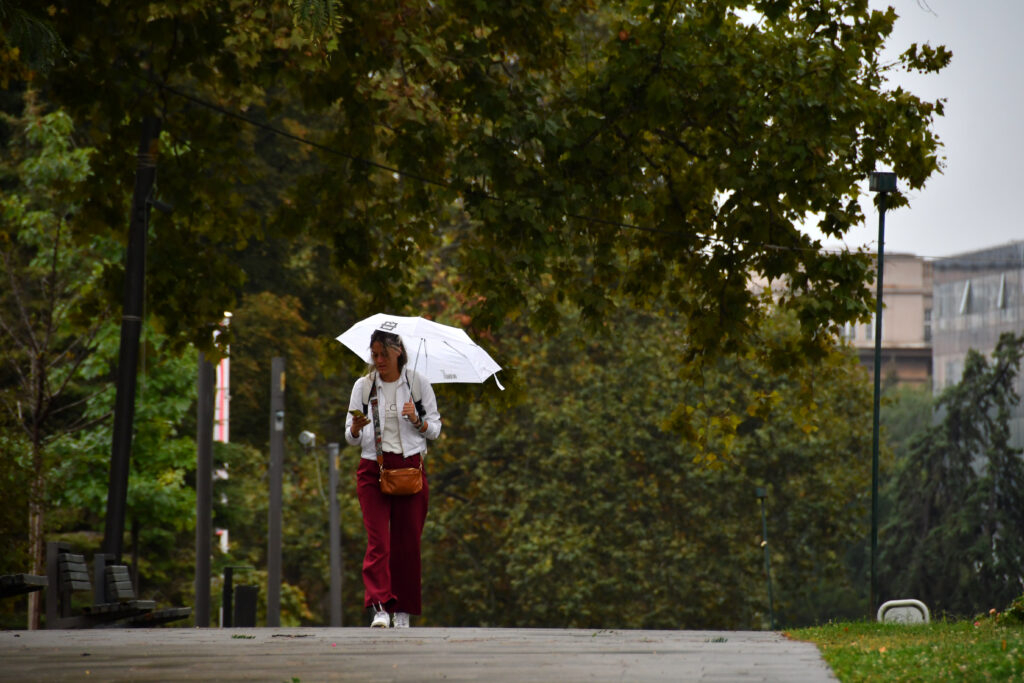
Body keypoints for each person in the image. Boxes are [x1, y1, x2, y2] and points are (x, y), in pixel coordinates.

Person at [345, 329, 441, 628]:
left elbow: (435, 429)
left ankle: (402, 610)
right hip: (373, 468)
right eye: (374, 355)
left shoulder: (418, 384)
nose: (378, 361)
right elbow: (349, 436)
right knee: (378, 542)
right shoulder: (364, 387)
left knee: (407, 543)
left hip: (410, 468)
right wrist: (357, 429)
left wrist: (417, 420)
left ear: (397, 351)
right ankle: (379, 608)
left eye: (383, 355)